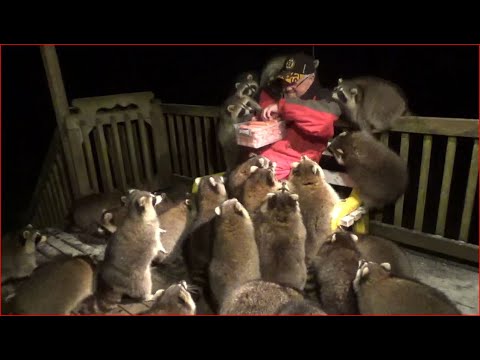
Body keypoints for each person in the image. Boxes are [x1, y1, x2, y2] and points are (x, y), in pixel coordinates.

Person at [256, 52, 341, 180]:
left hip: (294, 172)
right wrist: (256, 122)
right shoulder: (276, 94)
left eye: (293, 81)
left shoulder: (324, 99)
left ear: (310, 79)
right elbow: (263, 105)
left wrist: (282, 107)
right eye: (285, 81)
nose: (288, 87)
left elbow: (324, 121)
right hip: (262, 164)